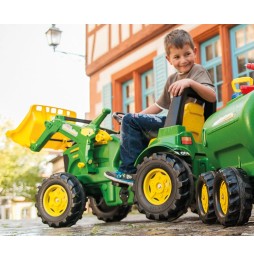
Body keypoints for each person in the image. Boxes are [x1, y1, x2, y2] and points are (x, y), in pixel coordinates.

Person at [104, 29, 216, 186]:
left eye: (187, 54)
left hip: (180, 125)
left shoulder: (198, 71)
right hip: (171, 122)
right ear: (168, 59)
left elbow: (212, 96)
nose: (183, 60)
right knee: (131, 120)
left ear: (195, 52)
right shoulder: (172, 79)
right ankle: (145, 166)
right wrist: (135, 117)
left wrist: (190, 83)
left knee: (131, 121)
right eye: (177, 57)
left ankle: (129, 172)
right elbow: (158, 106)